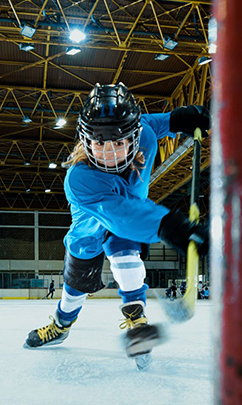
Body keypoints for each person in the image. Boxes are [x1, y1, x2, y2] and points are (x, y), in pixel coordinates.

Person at [23, 83, 210, 367]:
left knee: (127, 258)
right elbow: (120, 214)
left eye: (119, 143)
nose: (109, 153)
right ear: (86, 140)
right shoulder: (79, 179)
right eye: (99, 143)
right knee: (74, 290)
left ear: (133, 136)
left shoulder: (143, 134)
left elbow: (150, 122)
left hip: (131, 219)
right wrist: (169, 225)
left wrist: (177, 119)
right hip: (90, 232)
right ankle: (61, 326)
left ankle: (136, 319)